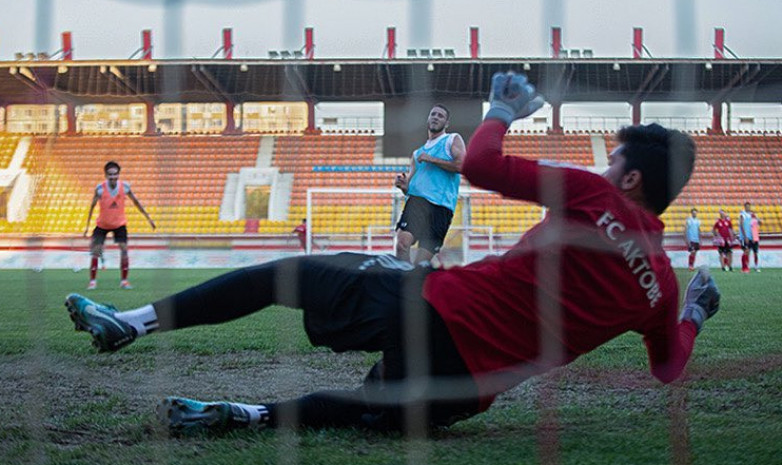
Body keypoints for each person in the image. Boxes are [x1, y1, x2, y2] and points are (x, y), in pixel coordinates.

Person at [63, 72, 720, 437]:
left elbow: (484, 163)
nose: (605, 167)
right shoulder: (660, 282)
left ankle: (134, 323)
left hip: (436, 308)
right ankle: (251, 414)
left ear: (630, 180)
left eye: (614, 160)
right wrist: (693, 310)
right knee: (365, 406)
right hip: (470, 390)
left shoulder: (592, 196)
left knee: (284, 276)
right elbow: (668, 366)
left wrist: (500, 108)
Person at [394, 104, 466, 264]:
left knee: (422, 264)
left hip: (441, 208)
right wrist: (403, 185)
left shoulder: (452, 139)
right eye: (433, 114)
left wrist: (431, 159)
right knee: (401, 244)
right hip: (417, 203)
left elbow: (462, 166)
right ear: (428, 119)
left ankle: (416, 283)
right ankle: (400, 282)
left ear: (446, 123)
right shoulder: (417, 153)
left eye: (440, 116)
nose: (435, 117)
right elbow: (409, 188)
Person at [83, 161, 156, 290]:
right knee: (96, 251)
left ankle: (124, 281)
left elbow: (136, 202)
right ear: (106, 175)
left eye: (115, 174)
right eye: (110, 174)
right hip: (102, 224)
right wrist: (87, 227)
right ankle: (92, 282)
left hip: (119, 224)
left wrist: (148, 218)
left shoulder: (125, 187)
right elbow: (92, 207)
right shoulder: (100, 189)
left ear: (118, 174)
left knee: (124, 249)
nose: (113, 177)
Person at [739, 202, 762, 272]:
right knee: (746, 251)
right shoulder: (742, 215)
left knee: (755, 252)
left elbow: (759, 223)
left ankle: (756, 266)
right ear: (744, 207)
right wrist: (745, 236)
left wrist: (757, 219)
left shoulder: (753, 215)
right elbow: (741, 225)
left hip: (753, 236)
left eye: (749, 206)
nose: (748, 208)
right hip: (746, 236)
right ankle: (745, 267)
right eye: (746, 206)